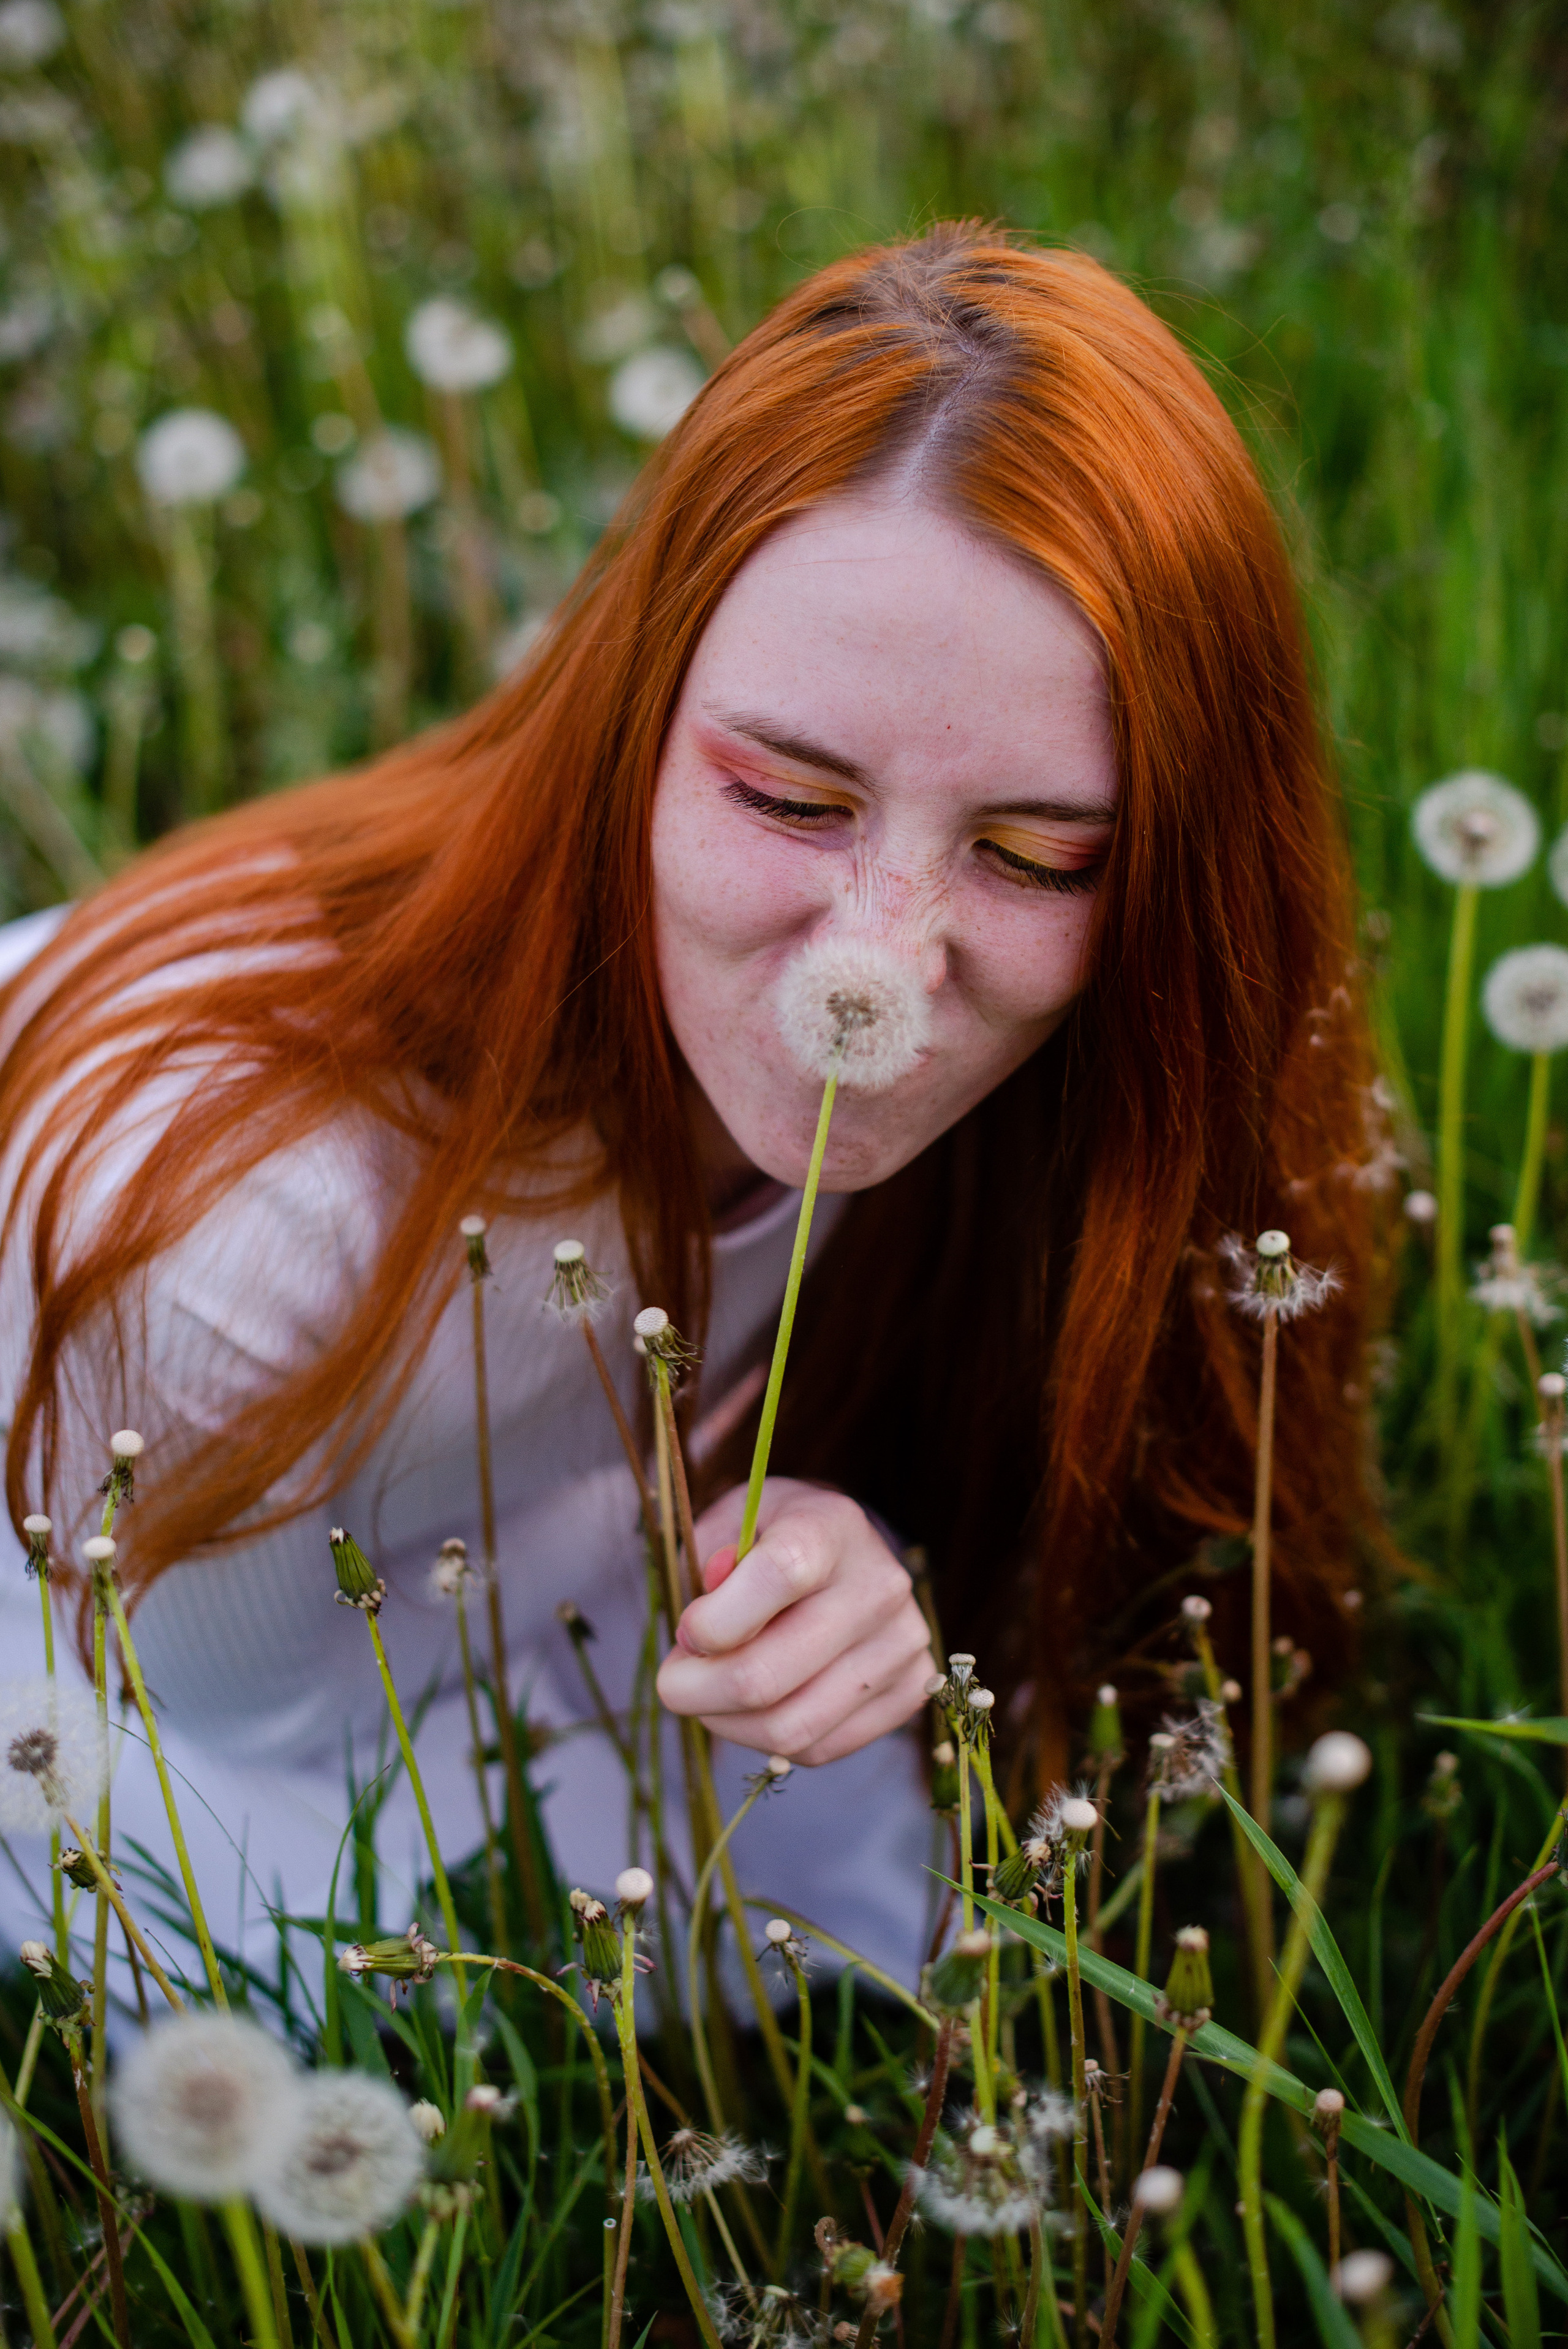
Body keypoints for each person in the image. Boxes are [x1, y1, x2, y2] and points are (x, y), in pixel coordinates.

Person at [0, 225, 1382, 1988]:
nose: (880, 968)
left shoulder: (1088, 1067)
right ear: (627, 729)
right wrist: (721, 1546)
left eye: (1038, 854)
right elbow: (242, 1727)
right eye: (791, 802)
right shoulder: (234, 1242)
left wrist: (842, 1547)